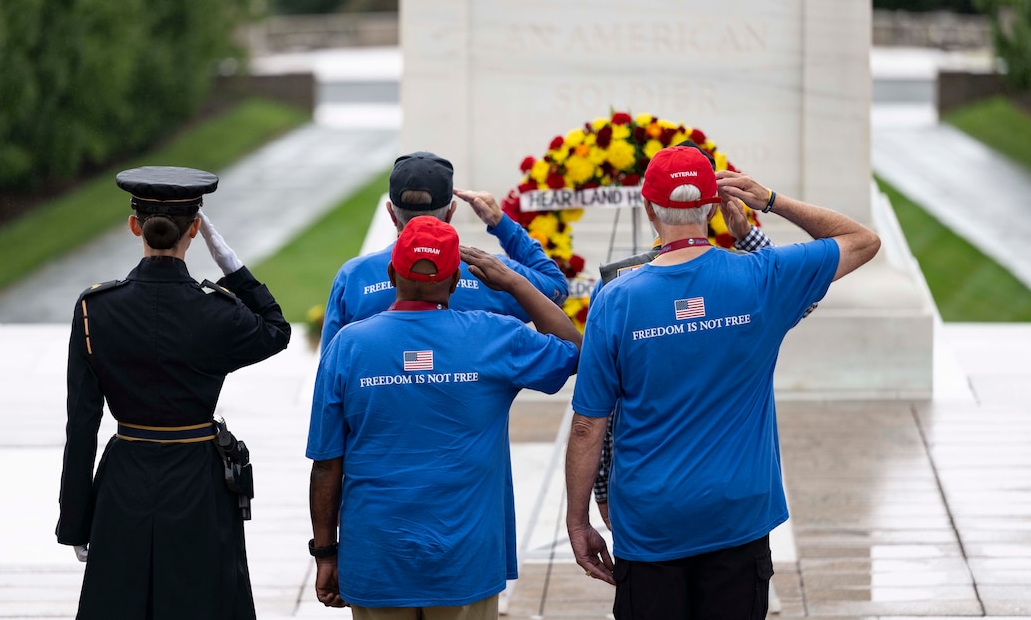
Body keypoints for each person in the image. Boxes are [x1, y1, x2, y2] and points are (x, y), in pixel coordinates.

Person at [565, 146, 880, 619]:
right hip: (737, 515)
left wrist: (578, 520)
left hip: (653, 520)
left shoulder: (616, 299)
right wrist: (769, 201)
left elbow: (590, 425)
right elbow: (861, 239)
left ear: (649, 209)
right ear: (713, 207)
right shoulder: (762, 277)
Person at [307, 216, 581, 618]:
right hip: (465, 560)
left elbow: (326, 466)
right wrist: (515, 283)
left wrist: (326, 554)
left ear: (390, 273)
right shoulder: (494, 336)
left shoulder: (348, 346)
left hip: (376, 556)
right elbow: (575, 351)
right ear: (456, 282)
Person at [56, 166, 292, 619]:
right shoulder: (218, 312)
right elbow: (276, 330)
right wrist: (233, 268)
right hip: (199, 484)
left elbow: (81, 426)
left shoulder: (95, 310)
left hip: (124, 481)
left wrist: (75, 521)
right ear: (196, 229)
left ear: (133, 226)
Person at [590, 145, 814, 528]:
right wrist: (750, 232)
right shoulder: (752, 279)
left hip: (651, 503)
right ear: (713, 205)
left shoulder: (618, 286)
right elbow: (806, 294)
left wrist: (602, 492)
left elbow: (599, 414)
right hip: (736, 504)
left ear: (651, 206)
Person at [319, 150, 568, 354]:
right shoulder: (491, 272)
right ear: (450, 213)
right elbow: (556, 289)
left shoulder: (353, 277)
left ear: (391, 213)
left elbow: (331, 371)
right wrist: (500, 223)